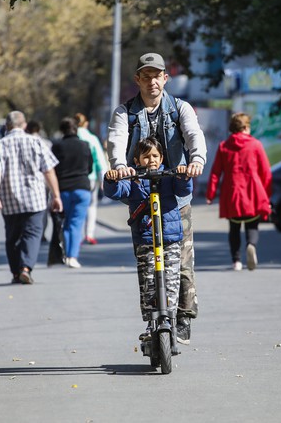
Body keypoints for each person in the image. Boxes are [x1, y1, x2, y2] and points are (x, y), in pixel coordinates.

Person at [107, 52, 207, 344]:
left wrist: (196, 160)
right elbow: (116, 139)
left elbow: (193, 135)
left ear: (166, 78)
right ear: (138, 79)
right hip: (141, 196)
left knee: (183, 260)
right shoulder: (124, 112)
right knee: (147, 260)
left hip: (175, 194)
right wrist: (119, 167)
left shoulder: (180, 108)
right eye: (146, 76)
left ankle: (183, 317)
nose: (152, 81)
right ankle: (153, 316)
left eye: (157, 76)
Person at [103, 137, 192, 340]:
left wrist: (182, 176)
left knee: (171, 282)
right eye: (146, 157)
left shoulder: (168, 176)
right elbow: (118, 191)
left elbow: (184, 190)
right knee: (148, 282)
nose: (151, 160)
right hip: (146, 239)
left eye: (155, 156)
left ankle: (170, 319)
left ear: (161, 158)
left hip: (169, 239)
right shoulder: (133, 179)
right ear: (137, 159)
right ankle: (152, 323)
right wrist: (111, 179)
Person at [0, 111, 63, 284]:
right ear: (24, 125)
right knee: (33, 233)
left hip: (9, 198)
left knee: (12, 237)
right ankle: (25, 268)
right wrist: (56, 195)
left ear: (7, 126)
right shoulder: (37, 142)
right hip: (35, 198)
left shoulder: (0, 144)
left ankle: (15, 272)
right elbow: (49, 170)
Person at [205, 113, 272, 271]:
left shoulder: (224, 146)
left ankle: (236, 261)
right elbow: (266, 172)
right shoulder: (255, 145)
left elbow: (216, 172)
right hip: (253, 191)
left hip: (232, 191)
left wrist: (211, 194)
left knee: (234, 228)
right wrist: (266, 194)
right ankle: (251, 244)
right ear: (247, 127)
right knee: (252, 224)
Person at [51, 116, 93, 269]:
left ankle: (66, 254)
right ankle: (72, 257)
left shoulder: (57, 146)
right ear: (76, 129)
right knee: (76, 224)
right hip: (82, 189)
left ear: (62, 130)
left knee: (66, 223)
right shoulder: (85, 145)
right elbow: (89, 168)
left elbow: (52, 169)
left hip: (63, 190)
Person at [75, 112, 107, 245]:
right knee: (91, 206)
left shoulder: (71, 137)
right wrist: (103, 179)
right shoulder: (92, 138)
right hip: (91, 177)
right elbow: (99, 160)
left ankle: (77, 234)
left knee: (76, 207)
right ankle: (89, 234)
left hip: (73, 178)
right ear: (86, 124)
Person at [26, 120, 54, 244]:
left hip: (26, 181)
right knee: (42, 209)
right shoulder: (46, 143)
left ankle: (29, 232)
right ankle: (41, 233)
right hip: (43, 181)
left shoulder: (23, 142)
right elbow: (50, 166)